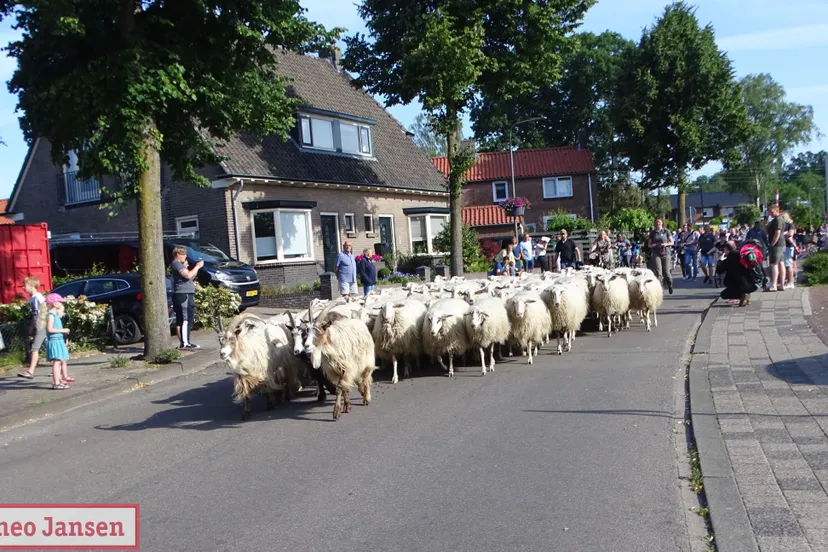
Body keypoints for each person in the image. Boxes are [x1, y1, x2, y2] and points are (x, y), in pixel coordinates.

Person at [170, 246, 204, 350]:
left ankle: (184, 342)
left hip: (185, 293)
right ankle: (185, 343)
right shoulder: (176, 264)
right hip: (183, 294)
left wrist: (194, 269)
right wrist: (197, 266)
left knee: (182, 319)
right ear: (177, 255)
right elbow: (188, 275)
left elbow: (190, 277)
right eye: (183, 254)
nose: (185, 256)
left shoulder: (179, 265)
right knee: (186, 319)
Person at [717, 241, 764, 307]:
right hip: (753, 285)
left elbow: (719, 271)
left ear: (726, 249)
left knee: (723, 295)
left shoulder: (730, 258)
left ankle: (742, 296)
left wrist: (720, 260)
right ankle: (745, 296)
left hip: (739, 287)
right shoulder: (744, 256)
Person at [18, 276, 47, 379]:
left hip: (41, 325)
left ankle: (30, 371)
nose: (23, 288)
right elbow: (34, 314)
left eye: (25, 285)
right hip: (40, 325)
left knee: (34, 349)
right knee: (49, 347)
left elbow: (42, 310)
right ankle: (60, 368)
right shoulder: (32, 298)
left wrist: (39, 325)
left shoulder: (38, 297)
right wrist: (32, 326)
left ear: (32, 286)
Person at [44, 293, 72, 389]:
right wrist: (63, 330)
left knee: (59, 361)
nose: (61, 303)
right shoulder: (51, 315)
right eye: (60, 302)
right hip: (54, 340)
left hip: (58, 340)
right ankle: (56, 383)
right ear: (55, 303)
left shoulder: (55, 315)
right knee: (57, 361)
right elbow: (50, 329)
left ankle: (59, 380)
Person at [646, 217, 674, 294]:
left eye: (659, 222)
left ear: (662, 223)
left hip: (665, 253)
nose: (658, 223)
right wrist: (652, 245)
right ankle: (660, 288)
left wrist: (666, 244)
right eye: (657, 222)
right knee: (658, 272)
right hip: (656, 253)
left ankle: (669, 283)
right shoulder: (653, 233)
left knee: (666, 271)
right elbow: (649, 244)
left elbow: (672, 242)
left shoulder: (666, 231)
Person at [765, 204, 789, 292]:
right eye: (769, 212)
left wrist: (772, 243)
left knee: (774, 264)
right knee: (781, 263)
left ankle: (774, 284)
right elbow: (769, 232)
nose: (770, 214)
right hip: (781, 244)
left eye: (772, 212)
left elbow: (777, 233)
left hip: (777, 244)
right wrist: (767, 227)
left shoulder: (778, 219)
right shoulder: (776, 219)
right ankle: (781, 284)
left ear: (777, 210)